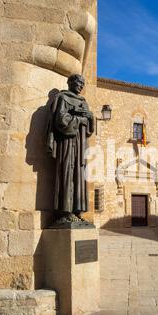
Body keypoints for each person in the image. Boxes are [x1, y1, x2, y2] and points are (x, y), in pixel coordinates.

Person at [47, 74, 95, 225]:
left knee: (79, 175)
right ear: (70, 83)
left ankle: (77, 210)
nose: (81, 85)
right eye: (78, 82)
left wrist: (89, 116)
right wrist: (79, 119)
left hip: (80, 144)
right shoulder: (63, 98)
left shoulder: (83, 102)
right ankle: (65, 211)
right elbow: (60, 120)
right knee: (66, 173)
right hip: (67, 142)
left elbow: (89, 128)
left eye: (83, 83)